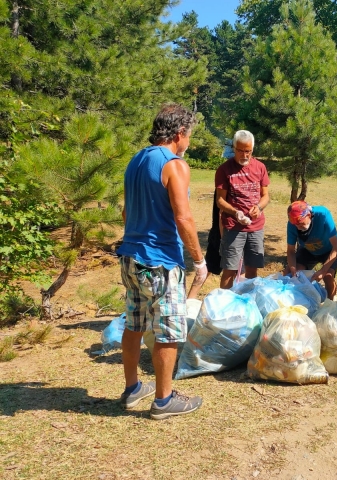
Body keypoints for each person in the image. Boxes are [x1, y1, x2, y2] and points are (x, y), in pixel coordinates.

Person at [117, 104, 205, 419]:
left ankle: (131, 389)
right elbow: (183, 217)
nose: (189, 143)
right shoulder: (174, 164)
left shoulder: (136, 160)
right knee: (168, 330)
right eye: (189, 136)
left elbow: (126, 213)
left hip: (130, 257)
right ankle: (164, 400)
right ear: (179, 134)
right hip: (160, 262)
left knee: (135, 324)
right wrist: (199, 259)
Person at [214, 130, 270, 289]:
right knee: (229, 270)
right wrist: (235, 212)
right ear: (234, 148)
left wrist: (259, 207)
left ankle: (248, 302)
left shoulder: (260, 167)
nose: (244, 155)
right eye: (240, 151)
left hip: (255, 227)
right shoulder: (224, 169)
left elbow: (265, 196)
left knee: (252, 269)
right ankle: (225, 304)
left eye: (248, 151)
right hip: (233, 227)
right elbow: (220, 200)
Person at [286, 201, 337, 300]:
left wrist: (323, 270)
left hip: (330, 249)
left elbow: (336, 247)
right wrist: (293, 269)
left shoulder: (323, 214)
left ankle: (331, 304)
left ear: (308, 215)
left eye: (300, 223)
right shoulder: (292, 224)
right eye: (295, 225)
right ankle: (298, 300)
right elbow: (290, 251)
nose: (298, 227)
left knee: (328, 275)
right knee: (289, 272)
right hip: (308, 249)